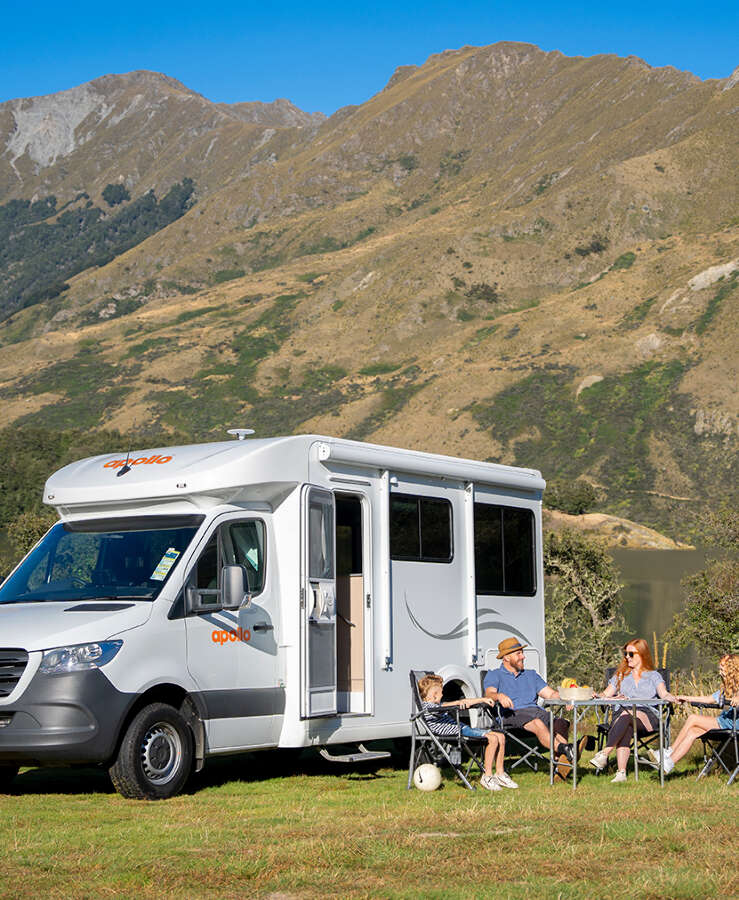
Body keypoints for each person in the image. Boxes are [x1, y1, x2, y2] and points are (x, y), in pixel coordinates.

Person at [590, 637, 676, 782]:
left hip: (647, 718)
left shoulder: (654, 676)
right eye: (626, 654)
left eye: (631, 654)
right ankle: (621, 773)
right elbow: (605, 694)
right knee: (626, 721)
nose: (627, 657)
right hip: (623, 717)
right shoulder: (621, 675)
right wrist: (597, 695)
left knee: (626, 715)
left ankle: (605, 753)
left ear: (642, 654)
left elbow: (663, 693)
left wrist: (670, 697)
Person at [483, 637, 576, 769]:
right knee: (537, 722)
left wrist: (566, 696)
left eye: (522, 653)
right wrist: (499, 696)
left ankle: (559, 762)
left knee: (561, 722)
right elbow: (489, 694)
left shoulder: (531, 675)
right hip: (511, 715)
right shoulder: (495, 675)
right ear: (507, 658)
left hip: (535, 712)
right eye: (519, 653)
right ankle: (565, 749)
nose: (523, 657)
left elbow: (550, 694)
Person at [418, 673, 517, 791]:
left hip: (463, 729)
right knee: (493, 738)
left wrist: (482, 699)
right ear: (434, 695)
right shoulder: (428, 707)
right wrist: (458, 704)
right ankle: (487, 776)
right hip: (456, 733)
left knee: (501, 736)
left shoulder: (436, 704)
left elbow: (455, 703)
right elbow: (447, 706)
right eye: (441, 693)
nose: (442, 695)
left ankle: (500, 774)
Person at [650, 653, 739, 775]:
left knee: (692, 718)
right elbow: (708, 699)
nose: (720, 672)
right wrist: (685, 697)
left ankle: (668, 751)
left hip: (733, 725)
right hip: (725, 722)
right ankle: (669, 763)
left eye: (723, 668)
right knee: (693, 732)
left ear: (732, 669)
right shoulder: (726, 688)